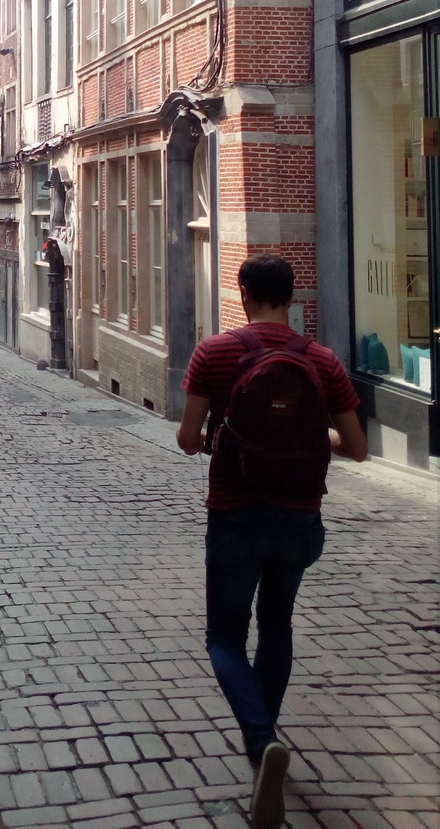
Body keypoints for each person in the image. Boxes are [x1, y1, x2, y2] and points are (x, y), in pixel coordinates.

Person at [176, 255, 366, 829]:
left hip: (235, 514)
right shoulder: (323, 360)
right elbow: (356, 448)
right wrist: (312, 436)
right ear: (292, 297)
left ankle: (262, 745)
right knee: (277, 625)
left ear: (243, 294)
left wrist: (221, 440)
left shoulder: (214, 353)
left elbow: (187, 438)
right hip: (299, 519)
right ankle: (265, 750)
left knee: (224, 637)